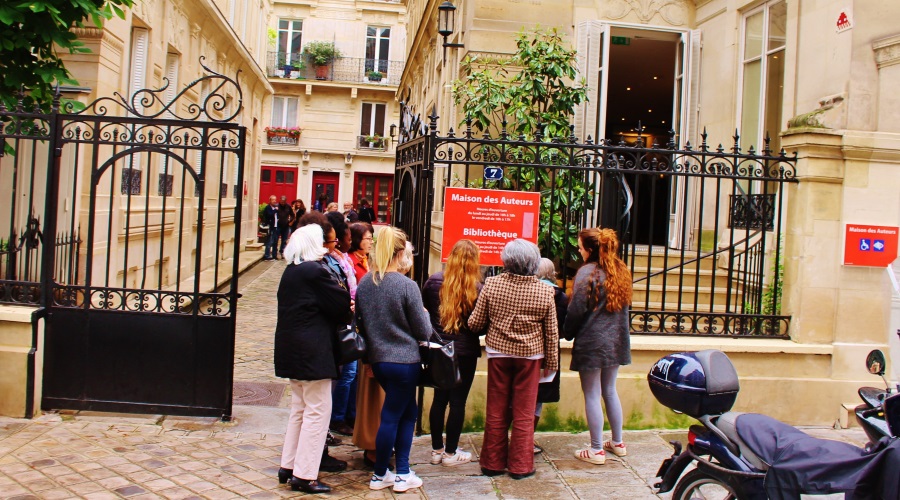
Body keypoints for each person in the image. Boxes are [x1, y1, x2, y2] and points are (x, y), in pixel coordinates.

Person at [468, 239, 559, 480]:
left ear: (507, 260)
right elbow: (552, 332)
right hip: (530, 356)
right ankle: (520, 465)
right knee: (524, 412)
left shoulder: (492, 285)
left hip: (498, 353)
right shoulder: (545, 290)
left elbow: (475, 323)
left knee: (496, 409)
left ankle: (492, 463)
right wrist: (552, 363)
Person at [274, 224, 352, 494]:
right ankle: (305, 475)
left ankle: (289, 465)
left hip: (293, 349)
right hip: (313, 350)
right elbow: (341, 305)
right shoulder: (314, 271)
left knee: (300, 409)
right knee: (318, 412)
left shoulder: (292, 271)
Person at [356, 227, 430, 492]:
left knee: (406, 411)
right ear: (400, 253)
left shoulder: (365, 282)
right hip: (405, 361)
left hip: (378, 360)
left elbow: (360, 323)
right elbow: (423, 330)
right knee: (393, 416)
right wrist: (424, 313)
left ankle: (398, 471)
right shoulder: (406, 285)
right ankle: (389, 474)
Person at [566, 228, 632, 465]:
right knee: (610, 391)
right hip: (615, 341)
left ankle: (596, 449)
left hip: (592, 342)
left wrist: (567, 332)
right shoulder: (621, 270)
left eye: (580, 246)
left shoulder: (587, 273)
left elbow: (575, 310)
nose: (579, 250)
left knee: (592, 394)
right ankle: (617, 442)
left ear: (590, 250)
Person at [422, 239, 482, 467]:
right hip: (465, 351)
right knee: (458, 402)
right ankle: (450, 452)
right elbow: (480, 324)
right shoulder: (477, 288)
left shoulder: (433, 282)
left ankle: (436, 449)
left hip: (439, 348)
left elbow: (426, 310)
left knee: (439, 398)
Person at [325, 211, 358, 437]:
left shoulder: (343, 260)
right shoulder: (329, 263)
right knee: (343, 375)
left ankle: (339, 417)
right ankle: (335, 419)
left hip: (348, 320)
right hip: (340, 325)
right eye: (345, 236)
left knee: (349, 373)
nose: (349, 241)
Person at [533, 258, 568, 454]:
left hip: (527, 349)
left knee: (520, 393)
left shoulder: (530, 291)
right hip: (549, 352)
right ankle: (528, 438)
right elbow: (562, 327)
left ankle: (516, 436)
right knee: (539, 396)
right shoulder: (560, 297)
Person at [262, 195, 284, 260]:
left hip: (275, 227)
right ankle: (267, 255)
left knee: (274, 241)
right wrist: (275, 210)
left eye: (275, 199)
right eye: (273, 200)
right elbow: (269, 215)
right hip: (270, 227)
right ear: (270, 201)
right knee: (269, 241)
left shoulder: (275, 208)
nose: (274, 201)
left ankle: (273, 254)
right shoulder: (268, 208)